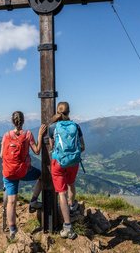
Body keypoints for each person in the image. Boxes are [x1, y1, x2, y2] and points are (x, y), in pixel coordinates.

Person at [0, 111, 46, 240]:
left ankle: (13, 230)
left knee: (12, 201)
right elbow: (37, 151)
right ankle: (33, 201)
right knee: (42, 177)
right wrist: (41, 135)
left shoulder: (6, 135)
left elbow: (1, 155)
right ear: (24, 121)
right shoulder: (28, 134)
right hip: (24, 171)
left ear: (12, 121)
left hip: (9, 173)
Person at [48, 102, 85, 239]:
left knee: (61, 193)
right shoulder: (76, 126)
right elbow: (82, 146)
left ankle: (68, 227)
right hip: (74, 162)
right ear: (69, 112)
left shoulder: (52, 127)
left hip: (58, 162)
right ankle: (72, 206)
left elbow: (52, 147)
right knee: (71, 183)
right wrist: (73, 155)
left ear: (58, 111)